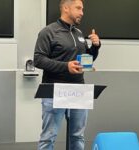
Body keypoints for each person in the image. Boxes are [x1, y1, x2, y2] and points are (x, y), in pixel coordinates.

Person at [34, 0, 101, 149]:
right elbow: (38, 60)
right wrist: (66, 67)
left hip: (78, 91)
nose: (82, 12)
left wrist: (95, 47)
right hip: (54, 91)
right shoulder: (48, 31)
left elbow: (86, 61)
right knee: (48, 138)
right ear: (65, 8)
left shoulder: (79, 33)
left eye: (82, 9)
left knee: (77, 137)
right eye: (78, 8)